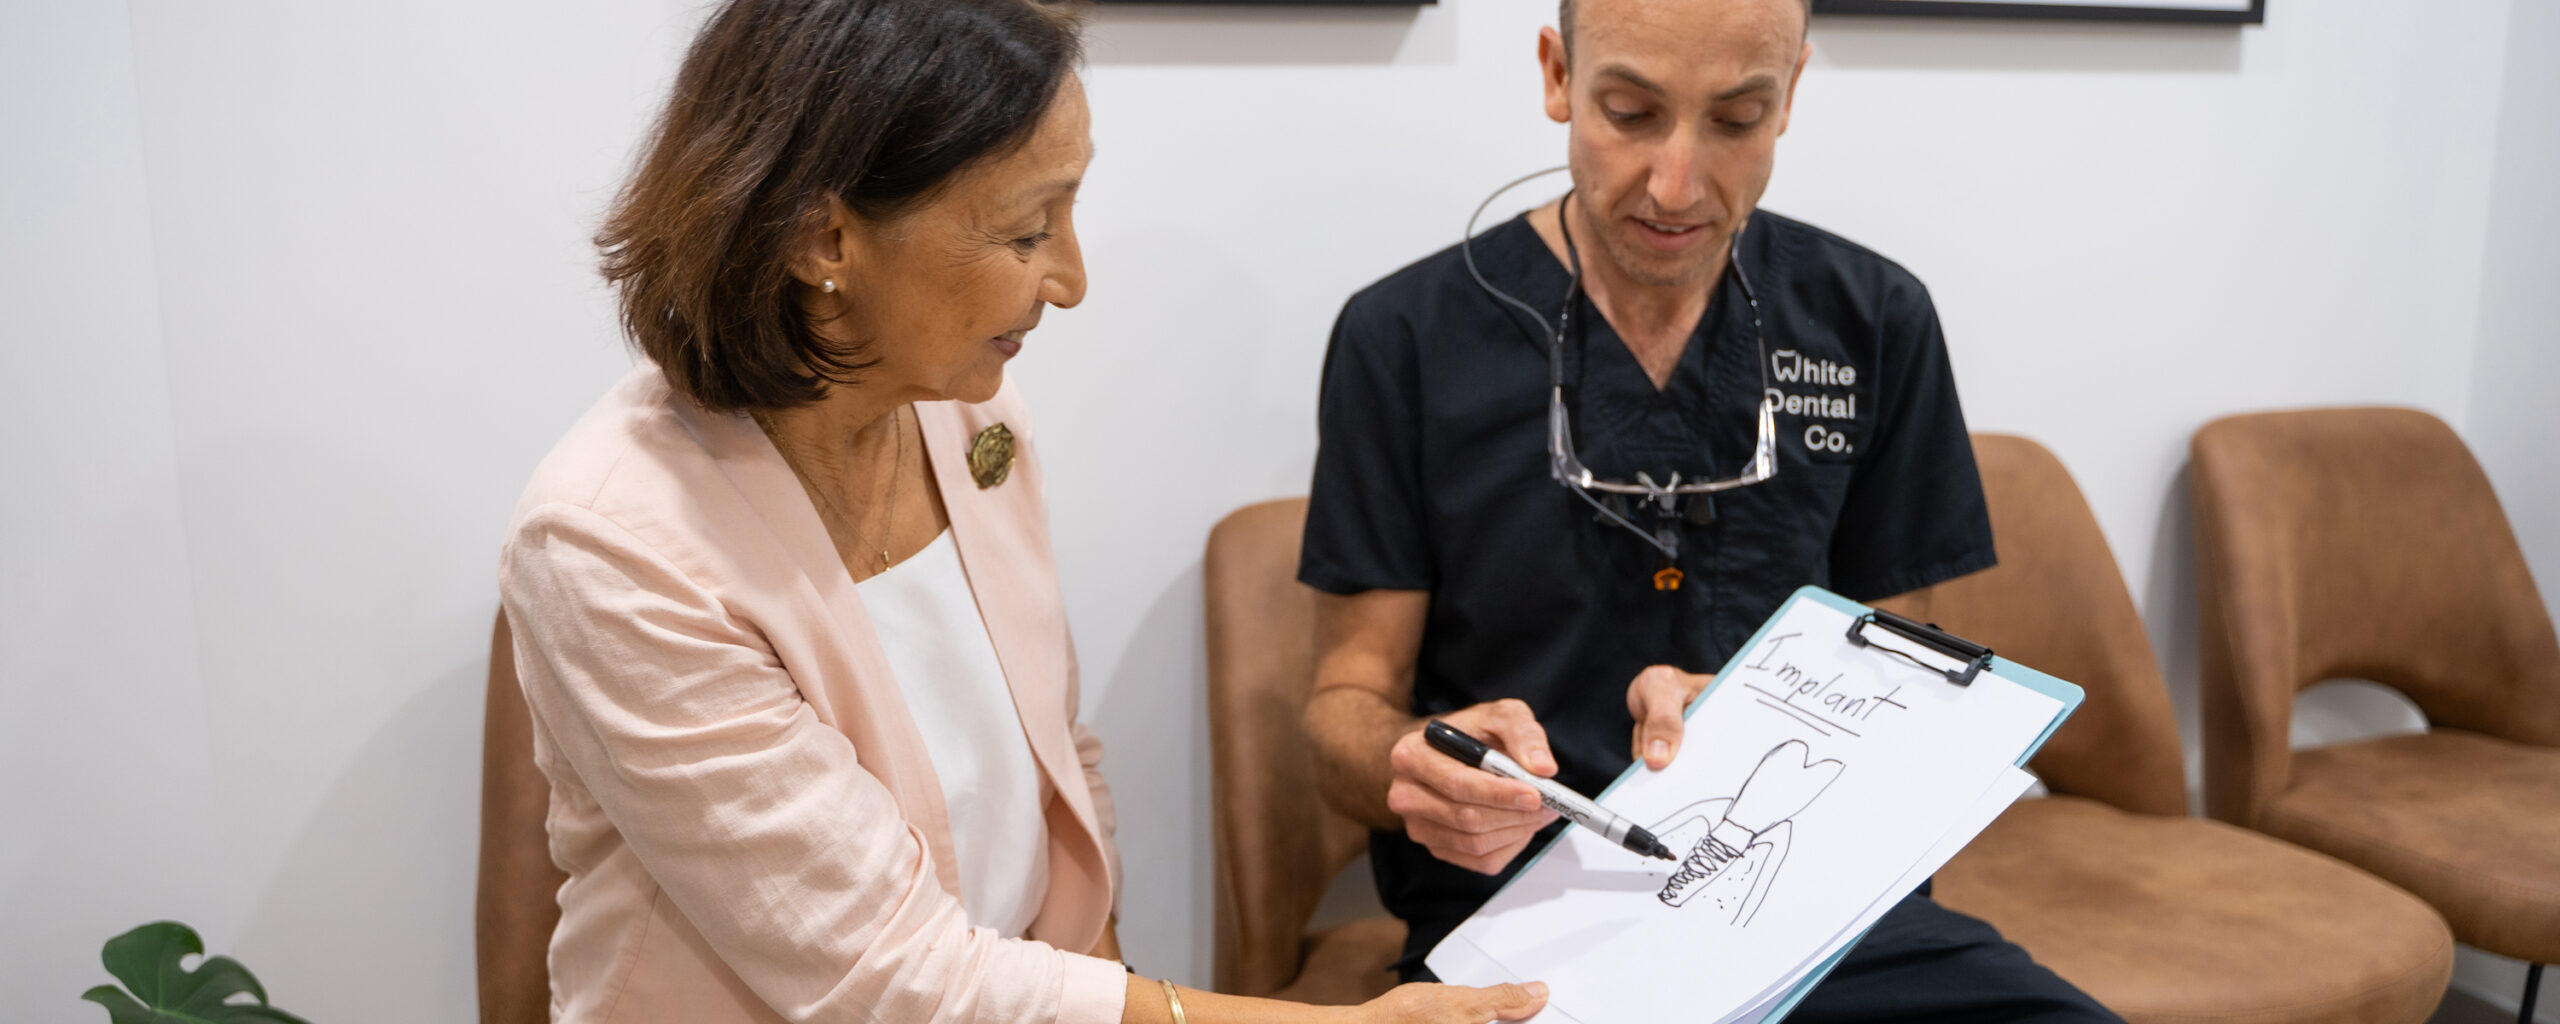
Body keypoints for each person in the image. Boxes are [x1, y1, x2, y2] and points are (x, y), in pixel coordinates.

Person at [499, 2, 1549, 1022]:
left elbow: (1054, 757)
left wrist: (1103, 968)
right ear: (823, 239)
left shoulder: (970, 421)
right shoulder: (613, 544)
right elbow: (895, 980)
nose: (1072, 278)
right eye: (1025, 229)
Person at [1297, 0, 2126, 1020]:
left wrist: (1756, 719)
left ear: (1790, 98)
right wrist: (1417, 763)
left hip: (1822, 918)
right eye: (1630, 112)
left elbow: (1910, 671)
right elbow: (1344, 703)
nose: (1677, 185)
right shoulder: (1406, 339)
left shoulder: (1873, 319)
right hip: (1520, 921)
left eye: (1735, 120)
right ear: (1557, 77)